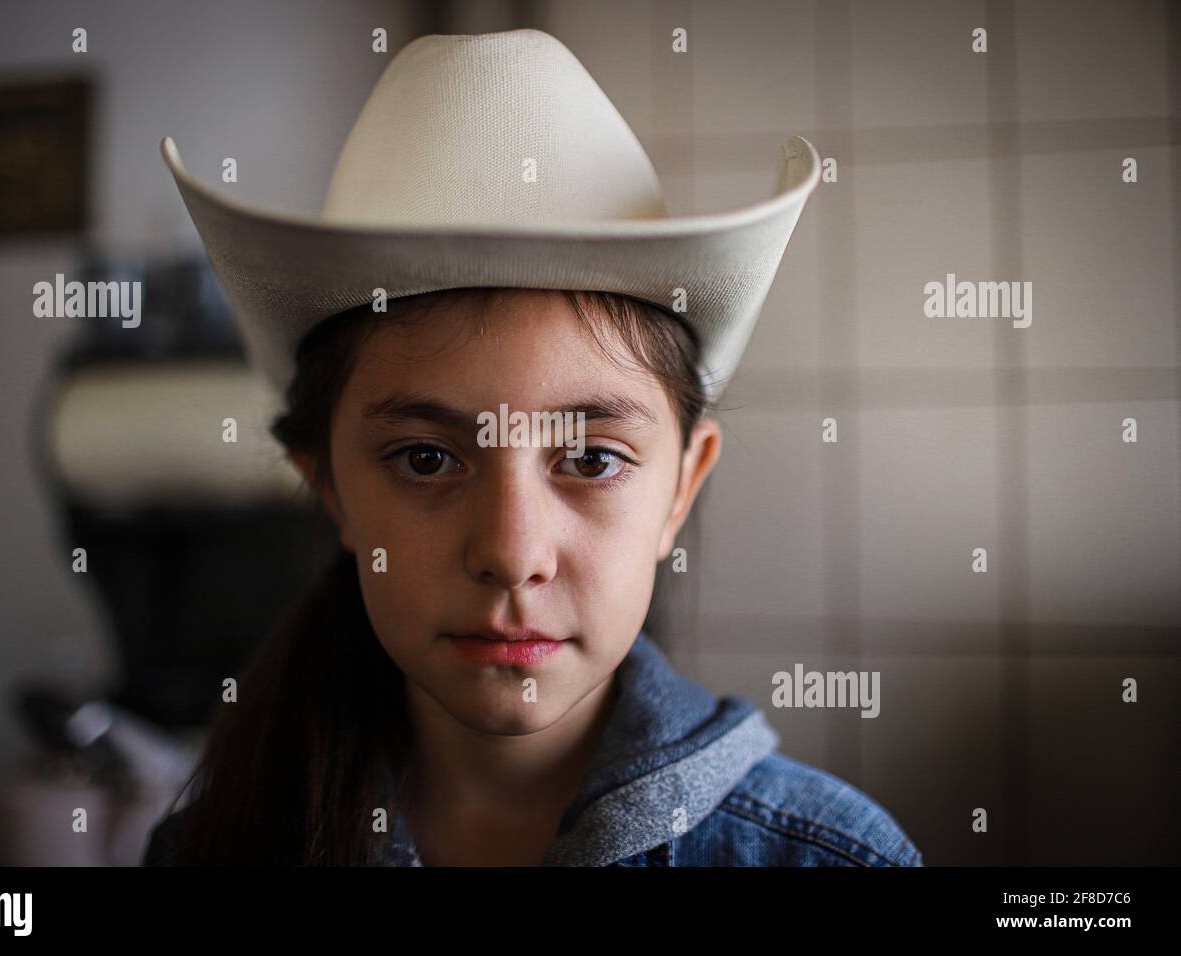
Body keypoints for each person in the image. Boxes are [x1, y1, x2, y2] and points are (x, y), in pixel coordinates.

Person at [145, 29, 921, 866]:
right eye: (424, 457)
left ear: (680, 489)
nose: (513, 555)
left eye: (590, 459)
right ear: (328, 487)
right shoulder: (211, 848)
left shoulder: (833, 858)